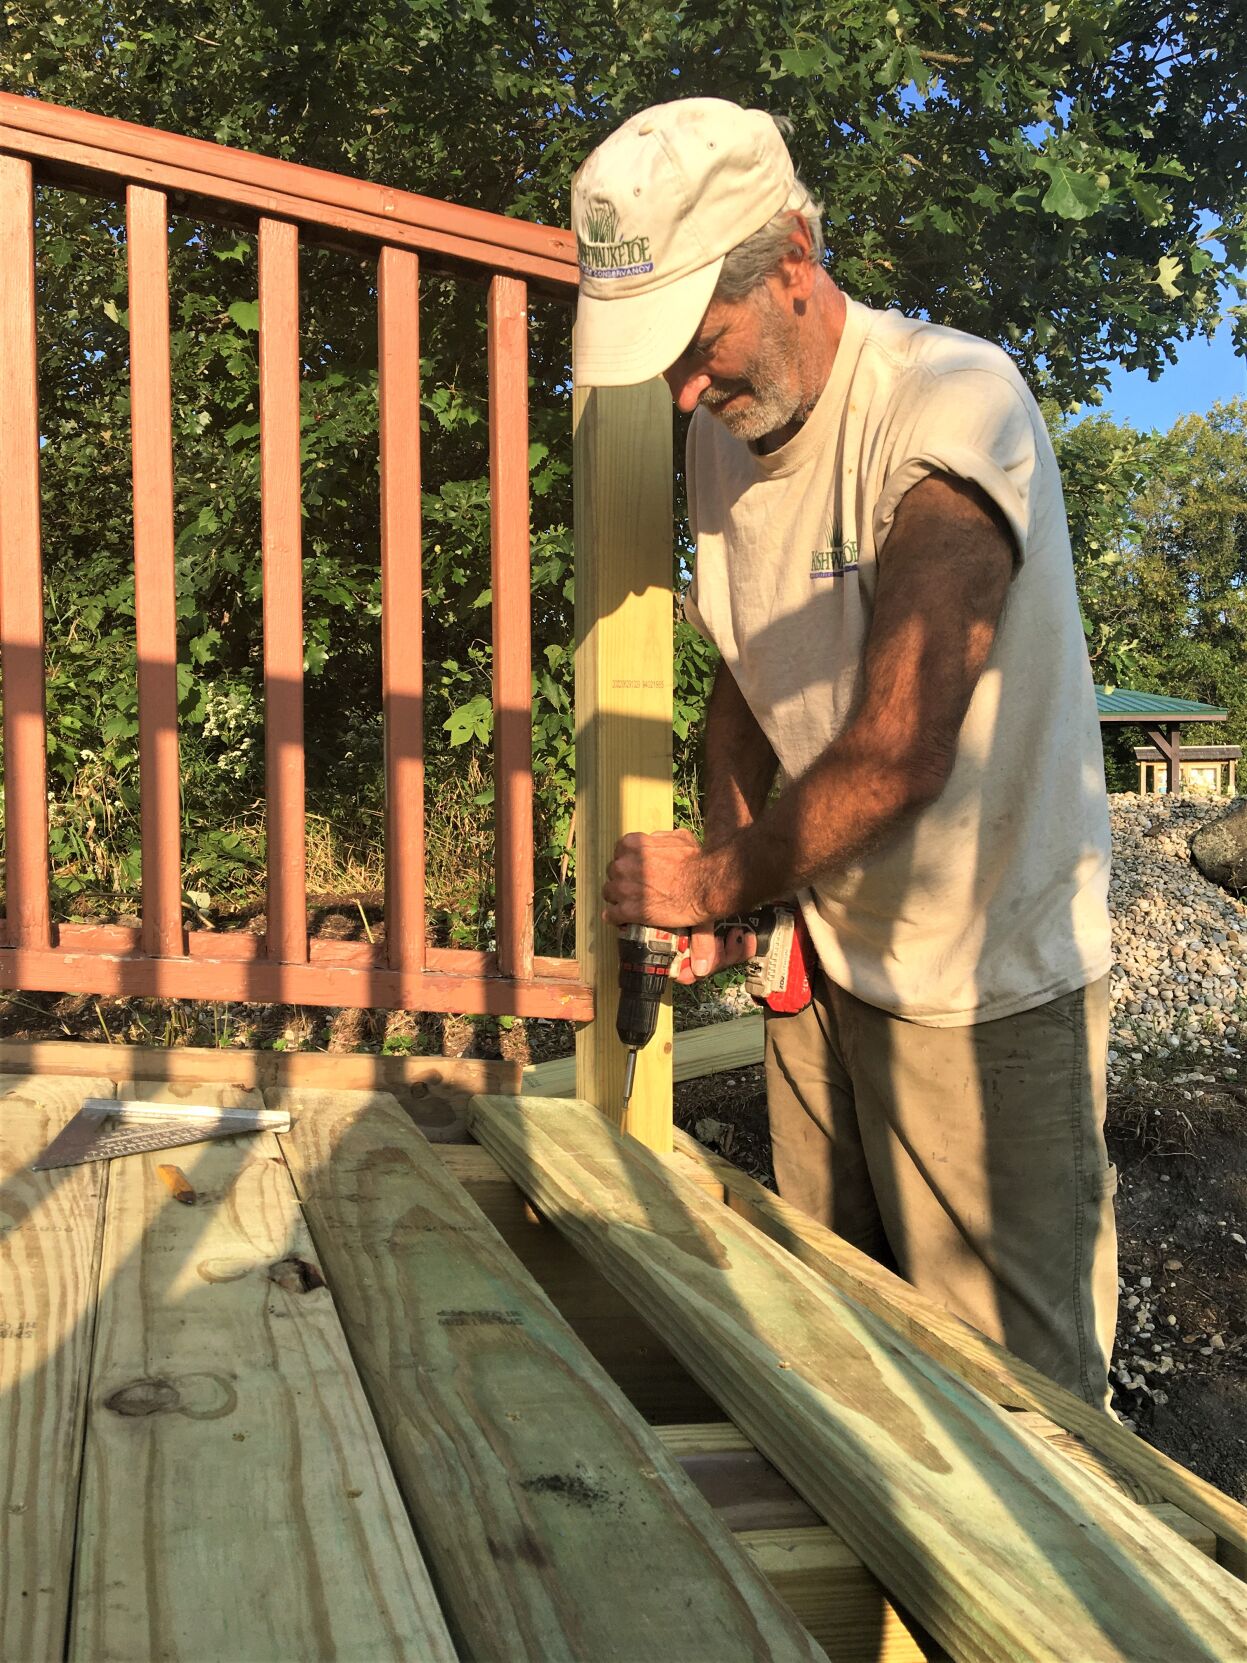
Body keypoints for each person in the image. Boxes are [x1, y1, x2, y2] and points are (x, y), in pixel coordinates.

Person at [574, 96, 1118, 1409]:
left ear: (796, 267)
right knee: (839, 1346)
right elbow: (745, 676)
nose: (685, 392)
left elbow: (900, 746)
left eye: (699, 348)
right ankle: (877, 1615)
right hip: (826, 952)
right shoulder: (723, 436)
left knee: (1025, 1410)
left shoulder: (950, 407)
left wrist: (715, 886)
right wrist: (737, 858)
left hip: (985, 976)